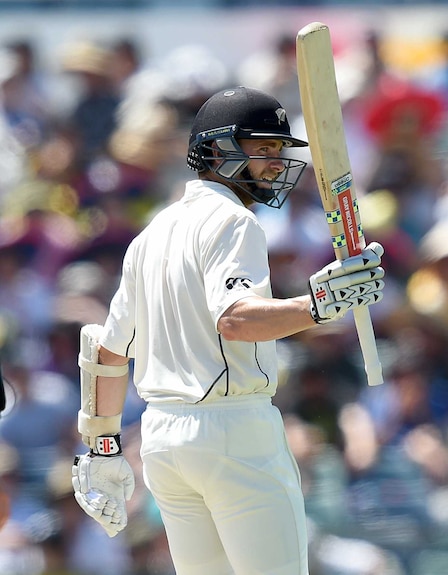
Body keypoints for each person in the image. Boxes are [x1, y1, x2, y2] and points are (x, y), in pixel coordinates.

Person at [68, 86, 386, 575]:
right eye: (263, 149)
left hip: (164, 442)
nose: (277, 163)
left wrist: (102, 447)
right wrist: (319, 304)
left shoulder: (151, 233)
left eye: (280, 150)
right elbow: (235, 319)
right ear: (217, 150)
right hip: (233, 433)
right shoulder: (235, 222)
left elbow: (108, 352)